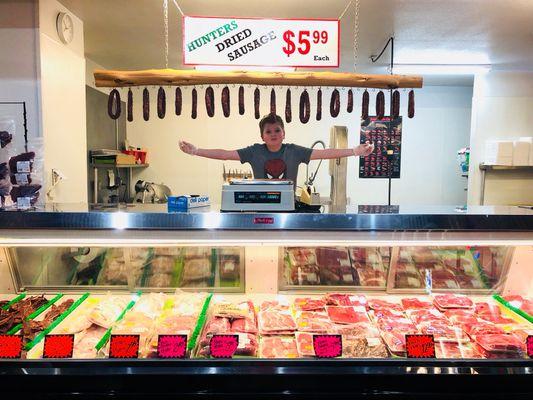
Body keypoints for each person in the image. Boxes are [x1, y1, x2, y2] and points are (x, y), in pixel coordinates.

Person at [179, 113, 374, 183]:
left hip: (289, 207)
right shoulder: (254, 151)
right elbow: (225, 154)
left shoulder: (294, 151)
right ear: (262, 136)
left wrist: (354, 151)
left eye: (277, 130)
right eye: (268, 131)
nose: (273, 134)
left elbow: (325, 153)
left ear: (284, 133)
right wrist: (196, 151)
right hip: (260, 205)